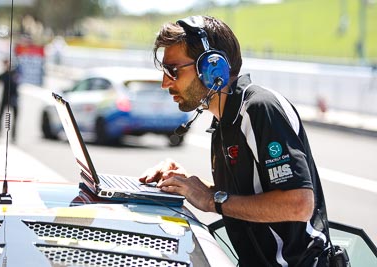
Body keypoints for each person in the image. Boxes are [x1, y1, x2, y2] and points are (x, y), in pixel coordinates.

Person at [139, 15, 330, 266]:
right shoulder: (224, 121)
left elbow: (297, 204)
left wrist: (210, 200)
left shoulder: (260, 108)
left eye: (173, 71)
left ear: (212, 67)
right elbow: (248, 198)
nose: (165, 83)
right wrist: (187, 184)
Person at [0, 59, 20, 143]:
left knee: (15, 118)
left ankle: (13, 137)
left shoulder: (15, 74)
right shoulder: (2, 75)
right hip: (4, 99)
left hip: (14, 99)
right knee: (0, 117)